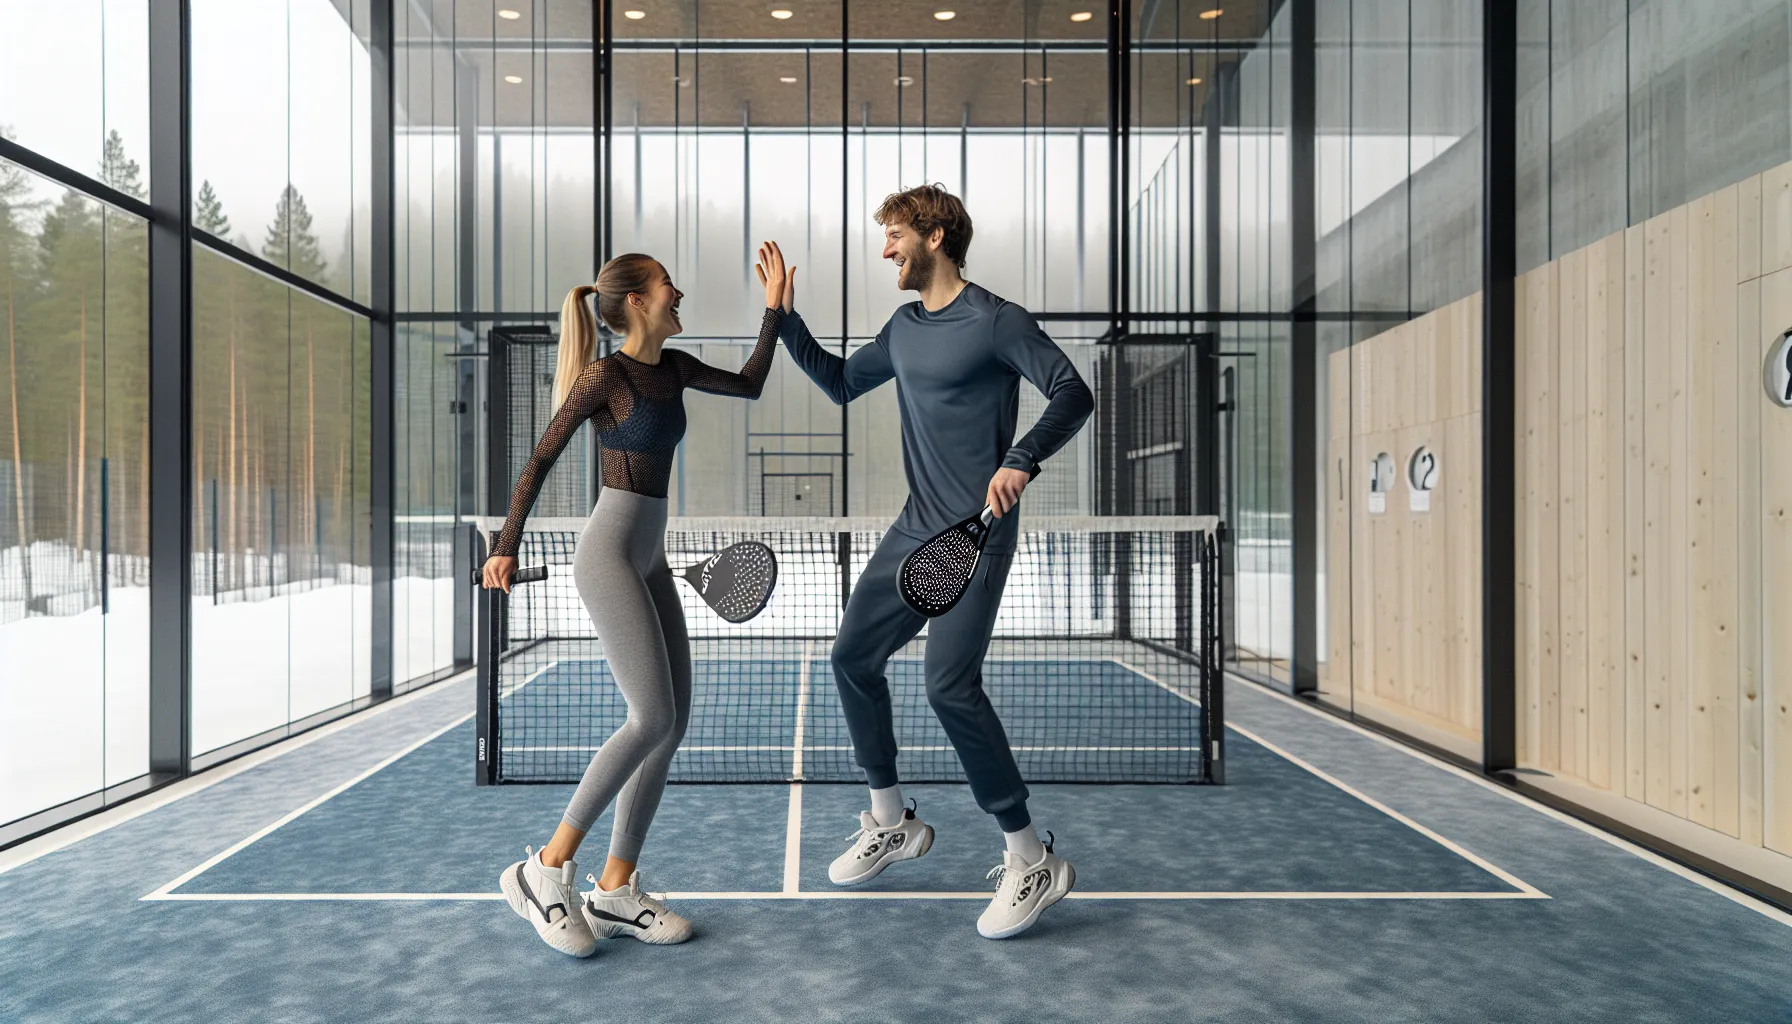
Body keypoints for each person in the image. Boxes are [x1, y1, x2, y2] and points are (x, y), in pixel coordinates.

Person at [760, 183, 1095, 939]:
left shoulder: (998, 321)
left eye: (895, 236)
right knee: (851, 658)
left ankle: (1031, 856)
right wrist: (782, 317)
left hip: (977, 531)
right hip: (916, 529)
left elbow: (1073, 390)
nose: (885, 250)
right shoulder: (904, 328)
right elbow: (841, 381)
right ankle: (891, 822)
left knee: (949, 686)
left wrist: (1022, 458)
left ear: (935, 236)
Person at [481, 250, 785, 957]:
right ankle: (544, 870)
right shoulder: (605, 377)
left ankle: (616, 890)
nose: (679, 291)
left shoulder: (673, 369)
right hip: (609, 552)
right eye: (666, 284)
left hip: (650, 553)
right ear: (641, 302)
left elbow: (749, 382)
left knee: (671, 722)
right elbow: (538, 463)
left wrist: (774, 309)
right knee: (649, 715)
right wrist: (504, 545)